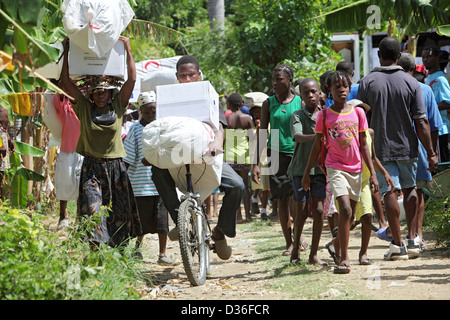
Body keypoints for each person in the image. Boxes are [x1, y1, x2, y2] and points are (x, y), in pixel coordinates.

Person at [151, 55, 245, 261]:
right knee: (156, 171)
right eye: (182, 75)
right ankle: (179, 218)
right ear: (176, 76)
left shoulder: (207, 94)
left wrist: (218, 141)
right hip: (176, 154)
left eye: (191, 75)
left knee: (237, 185)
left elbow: (219, 124)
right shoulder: (168, 97)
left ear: (199, 75)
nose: (186, 79)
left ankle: (220, 230)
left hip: (206, 153)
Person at [357, 37, 438, 260]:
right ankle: (413, 240)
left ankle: (397, 243)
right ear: (399, 57)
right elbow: (422, 121)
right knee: (411, 188)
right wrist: (431, 152)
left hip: (380, 148)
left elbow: (362, 118)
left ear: (379, 55)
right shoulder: (411, 82)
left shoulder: (368, 82)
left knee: (389, 191)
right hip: (408, 146)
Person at [60, 36, 142, 249]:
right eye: (96, 92)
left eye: (104, 91)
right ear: (91, 94)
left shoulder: (118, 106)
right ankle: (94, 253)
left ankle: (120, 254)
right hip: (91, 168)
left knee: (118, 214)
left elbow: (131, 80)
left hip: (115, 168)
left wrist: (129, 50)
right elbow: (65, 83)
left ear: (110, 92)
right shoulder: (84, 108)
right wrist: (66, 51)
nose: (100, 95)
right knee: (93, 210)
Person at [302, 71, 379, 274]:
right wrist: (306, 173)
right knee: (344, 209)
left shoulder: (359, 113)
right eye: (337, 87)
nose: (342, 90)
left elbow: (364, 145)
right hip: (334, 167)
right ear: (329, 91)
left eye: (345, 86)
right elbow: (317, 145)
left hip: (356, 169)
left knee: (351, 216)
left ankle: (337, 247)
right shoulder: (325, 115)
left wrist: (373, 173)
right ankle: (344, 258)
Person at [252, 64, 301, 256]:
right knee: (281, 200)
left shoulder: (300, 102)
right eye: (273, 79)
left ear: (289, 80)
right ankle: (289, 242)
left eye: (279, 79)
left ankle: (298, 237)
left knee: (298, 199)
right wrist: (255, 163)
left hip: (297, 155)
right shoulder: (268, 103)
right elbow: (263, 133)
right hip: (275, 155)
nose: (274, 83)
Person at [123, 91, 175, 265]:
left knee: (162, 221)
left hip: (161, 183)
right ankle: (137, 249)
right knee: (141, 221)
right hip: (140, 184)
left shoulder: (163, 128)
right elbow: (128, 157)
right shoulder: (135, 130)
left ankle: (162, 254)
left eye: (154, 111)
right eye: (148, 111)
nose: (152, 115)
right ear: (140, 112)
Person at [398, 53, 443, 252]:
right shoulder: (424, 89)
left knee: (400, 191)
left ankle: (404, 238)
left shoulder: (393, 88)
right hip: (420, 148)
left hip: (394, 149)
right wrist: (432, 152)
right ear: (415, 68)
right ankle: (418, 235)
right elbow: (432, 126)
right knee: (418, 191)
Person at [347, 99, 393, 265]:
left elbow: (372, 158)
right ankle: (339, 249)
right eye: (356, 111)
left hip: (365, 180)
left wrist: (384, 173)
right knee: (347, 218)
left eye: (363, 111)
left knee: (367, 216)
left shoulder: (369, 132)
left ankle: (363, 253)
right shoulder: (344, 132)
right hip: (347, 178)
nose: (361, 114)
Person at [288, 78, 327, 266]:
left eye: (314, 92)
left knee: (319, 211)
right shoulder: (297, 115)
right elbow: (296, 136)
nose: (311, 96)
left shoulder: (326, 115)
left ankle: (313, 253)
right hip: (300, 169)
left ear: (320, 93)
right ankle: (296, 247)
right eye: (306, 93)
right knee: (301, 212)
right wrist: (318, 136)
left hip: (320, 170)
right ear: (301, 96)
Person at [52, 81, 83, 230]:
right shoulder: (64, 106)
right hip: (67, 150)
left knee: (82, 186)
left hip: (84, 151)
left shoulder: (86, 105)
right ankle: (63, 216)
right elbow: (59, 94)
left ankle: (79, 217)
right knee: (64, 182)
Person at [224, 93, 254, 223]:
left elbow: (223, 137)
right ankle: (248, 215)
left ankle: (238, 216)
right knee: (245, 187)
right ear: (241, 104)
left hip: (230, 156)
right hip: (243, 155)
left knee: (234, 187)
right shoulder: (247, 118)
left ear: (229, 105)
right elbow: (252, 139)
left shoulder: (227, 119)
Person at [422, 46, 450, 163]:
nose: (425, 60)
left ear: (437, 58)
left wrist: (429, 108)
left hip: (441, 128)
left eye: (429, 57)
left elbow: (448, 102)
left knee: (442, 163)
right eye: (423, 57)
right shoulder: (429, 77)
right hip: (433, 129)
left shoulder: (440, 78)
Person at [245, 92, 271, 220]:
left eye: (258, 110)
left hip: (267, 156)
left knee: (266, 185)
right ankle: (254, 199)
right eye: (254, 111)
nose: (256, 113)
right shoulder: (250, 123)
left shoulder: (269, 122)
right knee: (257, 183)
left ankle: (264, 210)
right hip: (255, 156)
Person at [0, 104, 14, 200]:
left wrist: (9, 140)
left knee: (1, 173)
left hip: (3, 137)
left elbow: (3, 128)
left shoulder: (5, 104)